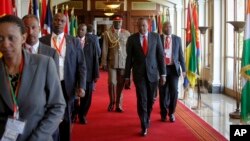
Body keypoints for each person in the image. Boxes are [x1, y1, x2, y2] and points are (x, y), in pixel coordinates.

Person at [0, 15, 66, 141]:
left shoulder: (44, 64)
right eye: (0, 38)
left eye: (11, 38)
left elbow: (57, 107)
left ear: (23, 38)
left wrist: (37, 138)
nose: (5, 44)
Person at [40, 13, 87, 141]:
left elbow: (81, 65)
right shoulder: (42, 40)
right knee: (49, 116)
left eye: (62, 21)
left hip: (67, 85)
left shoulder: (74, 41)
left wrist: (81, 86)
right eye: (56, 20)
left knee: (66, 117)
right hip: (47, 86)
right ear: (52, 21)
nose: (59, 23)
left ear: (65, 23)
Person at [124, 17, 166, 136]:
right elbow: (129, 59)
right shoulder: (132, 39)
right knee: (142, 99)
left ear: (148, 25)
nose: (142, 28)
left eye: (144, 25)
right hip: (139, 75)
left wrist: (163, 74)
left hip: (153, 74)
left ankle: (147, 116)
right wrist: (127, 76)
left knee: (150, 100)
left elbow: (160, 56)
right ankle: (144, 124)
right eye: (139, 26)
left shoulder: (156, 37)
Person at [22, 14, 61, 141]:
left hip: (43, 113)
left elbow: (54, 87)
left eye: (33, 27)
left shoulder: (51, 53)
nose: (30, 32)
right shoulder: (16, 53)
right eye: (26, 28)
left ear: (39, 29)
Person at [101, 16, 130, 112]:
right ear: (113, 23)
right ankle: (112, 102)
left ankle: (119, 104)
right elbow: (105, 49)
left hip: (123, 62)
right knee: (112, 83)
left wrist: (130, 63)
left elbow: (129, 50)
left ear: (122, 22)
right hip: (111, 62)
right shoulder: (107, 34)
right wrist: (103, 62)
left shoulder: (126, 33)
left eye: (119, 22)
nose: (118, 23)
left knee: (121, 84)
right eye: (116, 22)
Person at [159, 21, 186, 122]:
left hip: (174, 69)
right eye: (166, 27)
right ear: (163, 28)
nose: (169, 28)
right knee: (163, 92)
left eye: (170, 26)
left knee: (174, 91)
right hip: (163, 69)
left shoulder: (177, 39)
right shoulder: (158, 38)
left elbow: (181, 55)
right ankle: (163, 113)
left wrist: (183, 69)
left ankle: (171, 113)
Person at [76, 23, 99, 124]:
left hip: (88, 74)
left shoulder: (91, 42)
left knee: (87, 98)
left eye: (83, 30)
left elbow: (95, 59)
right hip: (74, 74)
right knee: (74, 97)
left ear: (86, 32)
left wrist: (96, 74)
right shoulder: (71, 41)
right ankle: (73, 113)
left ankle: (82, 115)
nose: (81, 31)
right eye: (80, 29)